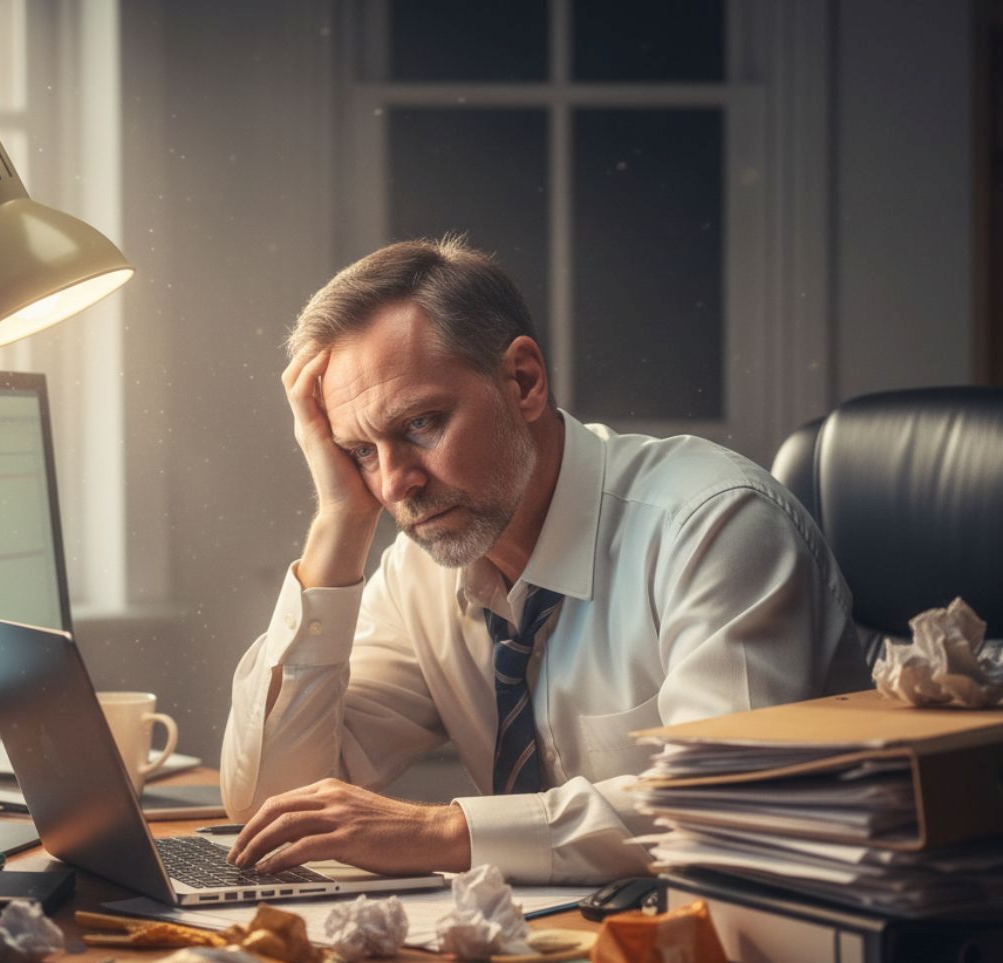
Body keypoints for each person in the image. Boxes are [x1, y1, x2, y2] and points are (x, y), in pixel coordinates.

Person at [220, 235, 868, 884]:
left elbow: (727, 810)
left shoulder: (713, 525)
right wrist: (339, 522)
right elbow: (272, 807)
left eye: (420, 424)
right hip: (554, 953)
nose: (393, 485)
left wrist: (442, 832)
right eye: (361, 450)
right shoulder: (419, 574)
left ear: (523, 382)